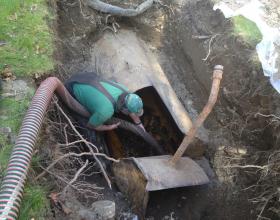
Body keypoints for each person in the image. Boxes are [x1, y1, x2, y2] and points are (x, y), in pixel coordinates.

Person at [65, 72, 145, 131]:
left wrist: (139, 124)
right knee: (84, 123)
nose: (131, 114)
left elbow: (129, 106)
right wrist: (109, 127)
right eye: (130, 112)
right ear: (124, 110)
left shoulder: (124, 89)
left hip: (82, 77)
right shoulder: (106, 111)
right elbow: (91, 125)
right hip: (71, 88)